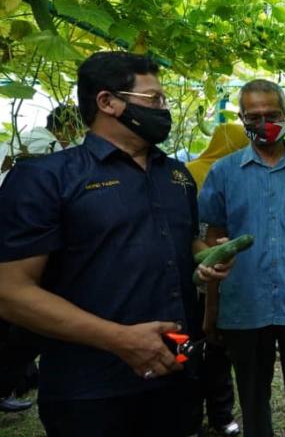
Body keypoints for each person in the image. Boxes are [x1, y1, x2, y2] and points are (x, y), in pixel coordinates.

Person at [0, 51, 233, 437]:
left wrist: (206, 258)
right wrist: (120, 340)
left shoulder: (176, 175)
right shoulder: (45, 178)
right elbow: (10, 291)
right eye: (153, 99)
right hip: (89, 390)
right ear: (108, 102)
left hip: (175, 378)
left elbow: (183, 241)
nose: (163, 109)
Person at [198, 79, 285, 437]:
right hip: (244, 304)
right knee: (252, 397)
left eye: (271, 115)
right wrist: (212, 306)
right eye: (253, 116)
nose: (262, 123)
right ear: (242, 118)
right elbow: (213, 240)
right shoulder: (224, 172)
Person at [0, 104, 81, 413]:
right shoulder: (40, 147)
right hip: (23, 243)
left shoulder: (34, 143)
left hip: (17, 240)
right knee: (25, 327)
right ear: (70, 125)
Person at [185, 123, 248, 437]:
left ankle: (193, 420)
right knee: (217, 350)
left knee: (192, 351)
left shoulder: (185, 171)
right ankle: (222, 416)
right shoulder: (230, 173)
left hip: (192, 273)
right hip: (218, 269)